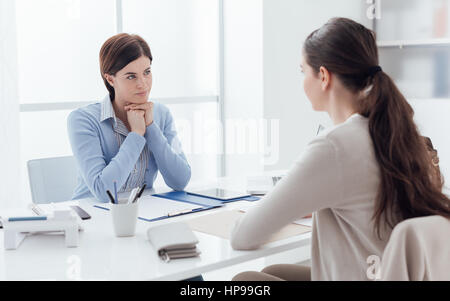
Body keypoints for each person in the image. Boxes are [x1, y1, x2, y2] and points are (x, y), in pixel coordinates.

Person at [230, 18, 450, 281]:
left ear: (323, 76)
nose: (302, 82)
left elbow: (243, 236)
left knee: (246, 281)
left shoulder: (334, 146)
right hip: (381, 271)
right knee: (272, 273)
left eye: (303, 71)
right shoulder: (393, 132)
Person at [67, 33, 191, 203]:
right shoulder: (83, 120)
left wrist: (151, 127)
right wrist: (136, 135)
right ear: (110, 79)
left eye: (147, 72)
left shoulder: (161, 114)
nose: (143, 84)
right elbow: (103, 192)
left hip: (143, 212)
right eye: (131, 76)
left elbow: (180, 181)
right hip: (91, 215)